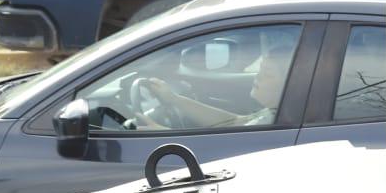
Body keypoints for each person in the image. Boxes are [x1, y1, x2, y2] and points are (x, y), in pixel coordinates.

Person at [126, 34, 294, 130]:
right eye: (261, 69)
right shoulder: (273, 113)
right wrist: (174, 99)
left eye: (268, 74)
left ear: (289, 87)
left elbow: (224, 148)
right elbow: (235, 122)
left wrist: (163, 133)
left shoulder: (275, 126)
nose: (258, 76)